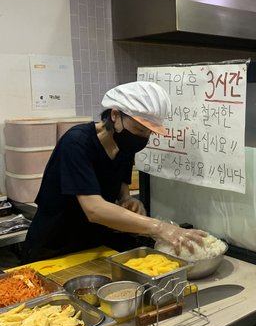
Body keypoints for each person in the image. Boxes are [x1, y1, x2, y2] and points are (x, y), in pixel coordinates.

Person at [22, 81, 206, 263]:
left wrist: (128, 200)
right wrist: (159, 227)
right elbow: (94, 209)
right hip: (54, 249)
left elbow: (121, 191)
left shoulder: (124, 145)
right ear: (115, 115)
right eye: (139, 129)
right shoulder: (77, 143)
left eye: (149, 133)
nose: (143, 138)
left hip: (93, 246)